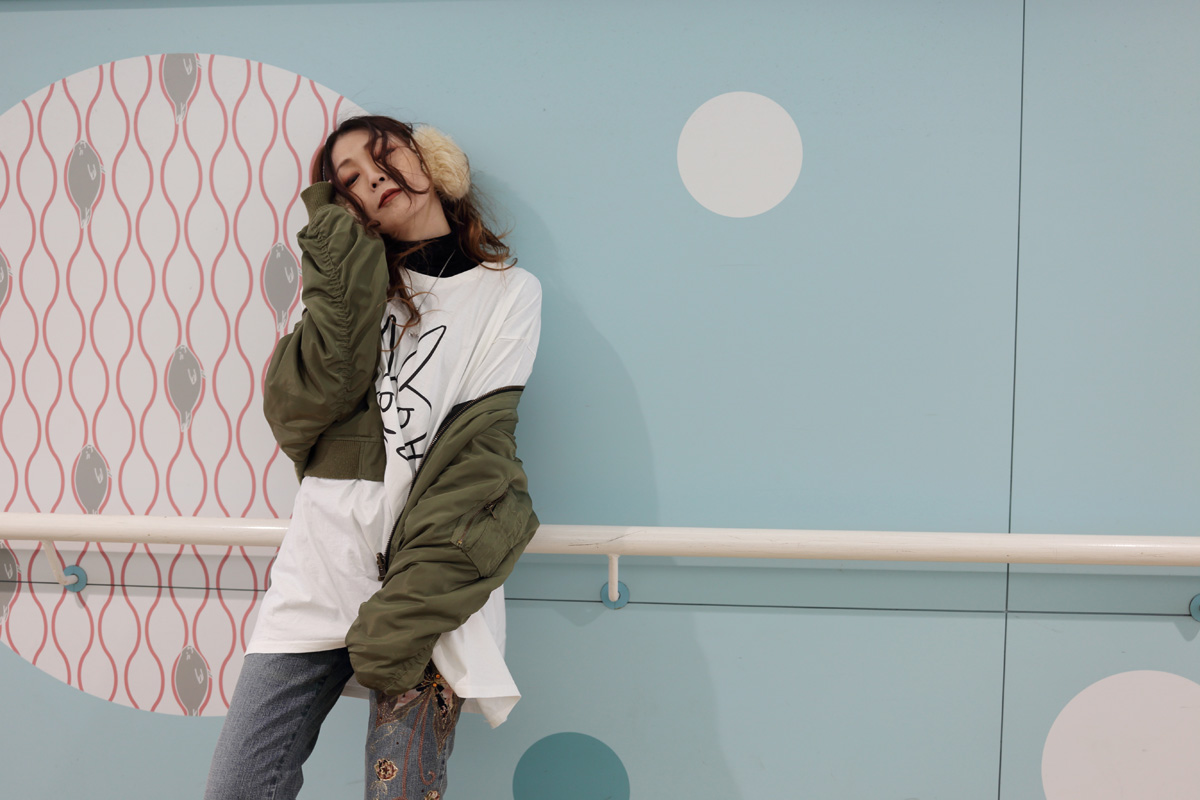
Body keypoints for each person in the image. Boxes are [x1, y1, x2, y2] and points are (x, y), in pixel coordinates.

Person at [205, 114, 542, 800]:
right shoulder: (352, 291)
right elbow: (300, 413)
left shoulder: (509, 292)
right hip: (321, 564)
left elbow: (478, 450)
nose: (374, 177)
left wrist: (408, 607)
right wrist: (345, 263)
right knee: (237, 787)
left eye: (384, 155)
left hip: (429, 576)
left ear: (431, 160)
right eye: (351, 180)